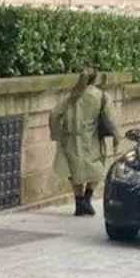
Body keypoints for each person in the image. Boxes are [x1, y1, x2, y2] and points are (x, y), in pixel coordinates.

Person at [48, 69, 120, 217]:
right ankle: (87, 198)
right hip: (92, 139)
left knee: (74, 171)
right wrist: (116, 136)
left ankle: (79, 203)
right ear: (95, 79)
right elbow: (111, 120)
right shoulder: (101, 96)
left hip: (70, 139)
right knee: (98, 168)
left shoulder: (72, 96)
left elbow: (54, 114)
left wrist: (58, 134)